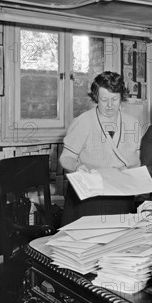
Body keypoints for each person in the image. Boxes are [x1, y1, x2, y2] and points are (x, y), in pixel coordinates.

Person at [60, 71, 142, 225]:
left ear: (121, 97)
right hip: (88, 198)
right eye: (104, 100)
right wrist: (77, 166)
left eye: (114, 99)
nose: (110, 105)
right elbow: (66, 158)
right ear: (96, 97)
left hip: (120, 196)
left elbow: (136, 161)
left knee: (118, 244)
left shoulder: (133, 124)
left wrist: (132, 174)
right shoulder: (83, 122)